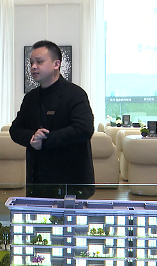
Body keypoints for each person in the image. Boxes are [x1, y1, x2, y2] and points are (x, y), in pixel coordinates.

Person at [9, 40, 95, 199]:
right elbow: (15, 130)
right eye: (31, 63)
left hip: (71, 181)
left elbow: (84, 129)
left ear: (56, 64)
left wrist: (45, 140)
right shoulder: (30, 98)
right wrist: (32, 138)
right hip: (38, 180)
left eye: (39, 62)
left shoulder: (75, 94)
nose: (33, 67)